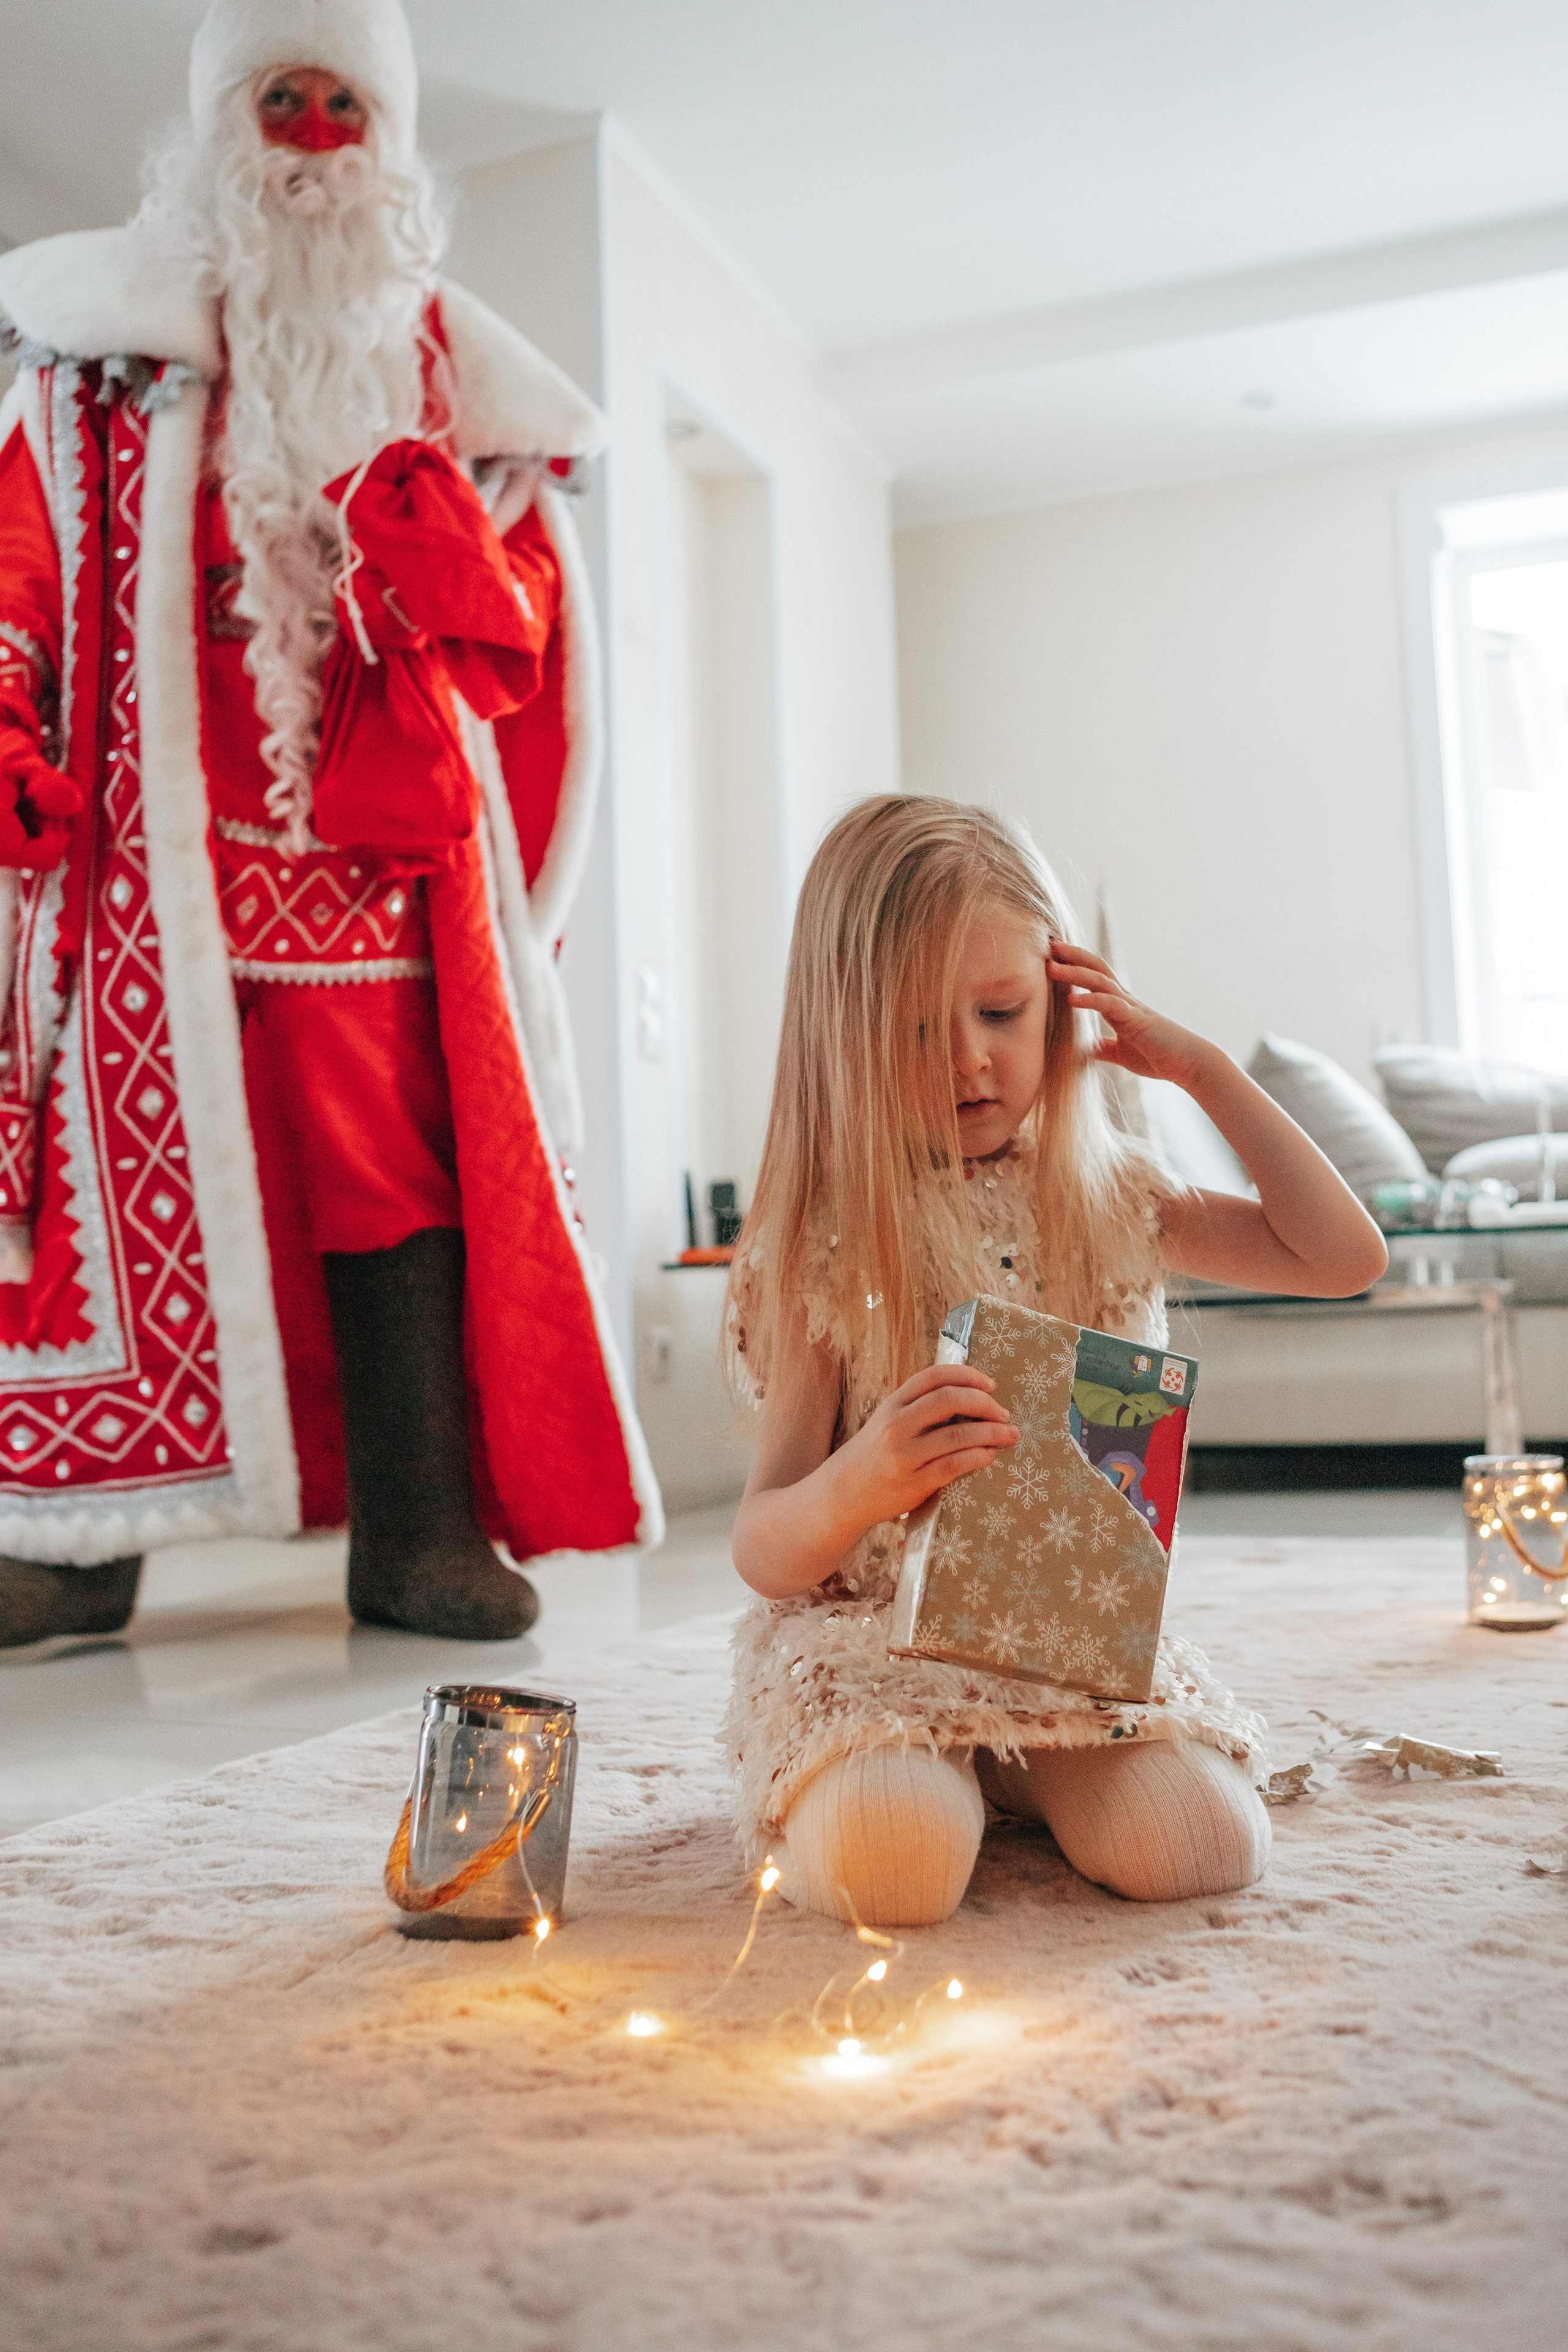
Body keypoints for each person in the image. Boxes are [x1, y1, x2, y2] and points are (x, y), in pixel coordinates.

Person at [0, 0, 659, 1649]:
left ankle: (416, 1529)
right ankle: (82, 1546)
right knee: (121, 1191)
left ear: (389, 143)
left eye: (337, 101)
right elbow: (24, 566)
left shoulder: (449, 374)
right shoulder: (107, 360)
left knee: (391, 1192)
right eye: (275, 96)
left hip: (375, 891)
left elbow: (518, 637)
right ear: (219, 129)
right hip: (154, 875)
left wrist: (428, 547)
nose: (306, 131)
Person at [723, 796, 1387, 1927]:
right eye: (919, 1028)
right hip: (874, 1644)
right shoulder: (832, 1243)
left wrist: (1201, 1070)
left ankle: (1008, 1771)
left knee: (1204, 1847)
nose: (972, 1062)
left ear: (1062, 1005)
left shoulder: (1113, 1198)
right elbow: (763, 1543)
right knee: (896, 1871)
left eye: (1001, 1011)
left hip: (1061, 1651)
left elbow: (1344, 1257)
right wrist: (861, 1481)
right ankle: (920, 1774)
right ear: (846, 1031)